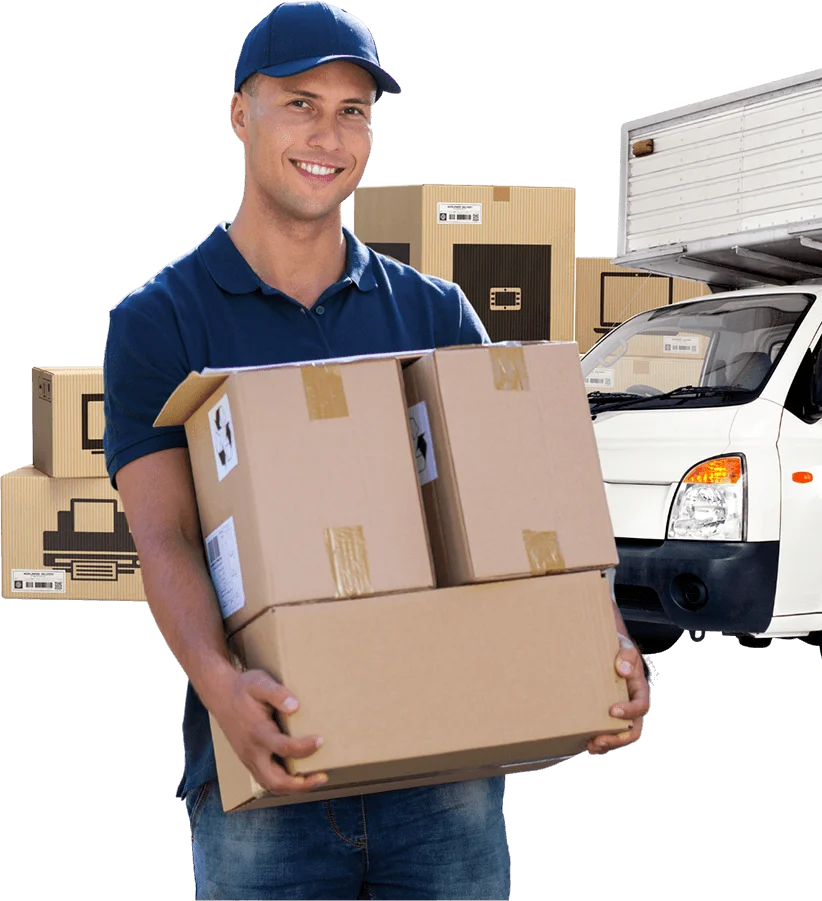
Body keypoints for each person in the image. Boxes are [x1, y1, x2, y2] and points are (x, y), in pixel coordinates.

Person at [102, 3, 651, 899]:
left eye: (352, 110)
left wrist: (605, 645)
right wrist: (220, 687)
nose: (329, 134)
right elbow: (162, 536)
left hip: (446, 777)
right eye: (301, 103)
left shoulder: (435, 316)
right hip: (269, 766)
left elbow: (523, 510)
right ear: (238, 113)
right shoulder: (160, 323)